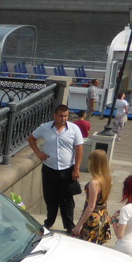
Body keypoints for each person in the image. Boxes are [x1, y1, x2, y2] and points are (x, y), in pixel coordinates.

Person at [28, 104, 85, 234]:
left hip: (67, 170)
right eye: (61, 116)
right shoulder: (45, 128)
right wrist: (38, 153)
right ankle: (49, 222)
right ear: (54, 116)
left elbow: (79, 149)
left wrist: (76, 168)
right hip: (50, 168)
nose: (63, 118)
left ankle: (69, 226)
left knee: (67, 200)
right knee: (50, 198)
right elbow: (31, 139)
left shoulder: (74, 129)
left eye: (66, 116)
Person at [73, 150, 113, 244]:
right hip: (103, 214)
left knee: (86, 245)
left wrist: (79, 225)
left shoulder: (94, 183)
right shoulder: (108, 179)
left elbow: (91, 206)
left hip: (93, 218)